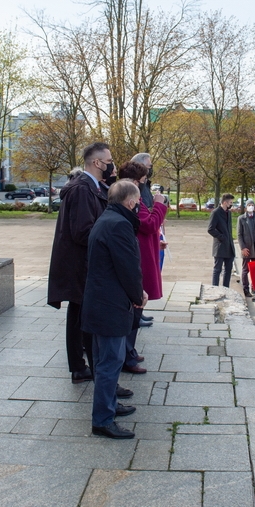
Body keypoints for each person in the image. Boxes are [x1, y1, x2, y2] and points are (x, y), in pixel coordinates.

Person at [81, 180, 147, 439]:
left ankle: (109, 406)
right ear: (130, 202)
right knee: (110, 363)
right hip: (110, 305)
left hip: (99, 302)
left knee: (102, 362)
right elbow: (128, 267)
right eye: (138, 201)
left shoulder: (106, 218)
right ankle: (103, 420)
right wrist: (138, 294)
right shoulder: (120, 225)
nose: (139, 206)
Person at [47, 142, 114, 384]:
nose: (111, 166)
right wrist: (111, 241)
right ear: (97, 163)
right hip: (81, 266)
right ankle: (89, 370)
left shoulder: (90, 187)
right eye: (109, 161)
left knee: (79, 316)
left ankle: (80, 368)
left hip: (81, 265)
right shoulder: (83, 189)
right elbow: (84, 232)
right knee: (83, 318)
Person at [117, 161, 167, 375]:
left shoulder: (133, 200)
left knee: (136, 313)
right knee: (133, 313)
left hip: (142, 256)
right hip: (139, 261)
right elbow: (148, 224)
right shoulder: (131, 201)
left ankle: (130, 351)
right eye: (143, 182)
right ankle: (127, 356)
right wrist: (159, 204)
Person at [131, 152, 160, 328]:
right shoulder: (135, 189)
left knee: (144, 279)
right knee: (139, 278)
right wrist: (159, 206)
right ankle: (136, 315)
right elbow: (145, 220)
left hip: (147, 237)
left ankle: (139, 313)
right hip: (140, 240)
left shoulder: (145, 186)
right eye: (148, 167)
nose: (150, 170)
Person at [207, 194, 236, 286]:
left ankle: (226, 289)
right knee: (217, 269)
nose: (231, 204)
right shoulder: (216, 212)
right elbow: (210, 229)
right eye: (230, 202)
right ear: (224, 202)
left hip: (229, 246)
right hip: (220, 246)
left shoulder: (229, 213)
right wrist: (221, 237)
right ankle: (214, 288)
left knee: (228, 270)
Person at [238, 200, 255, 297]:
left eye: (252, 205)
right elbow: (239, 235)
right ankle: (245, 289)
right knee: (245, 270)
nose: (251, 207)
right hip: (247, 248)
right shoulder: (242, 219)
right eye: (249, 205)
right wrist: (243, 248)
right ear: (246, 207)